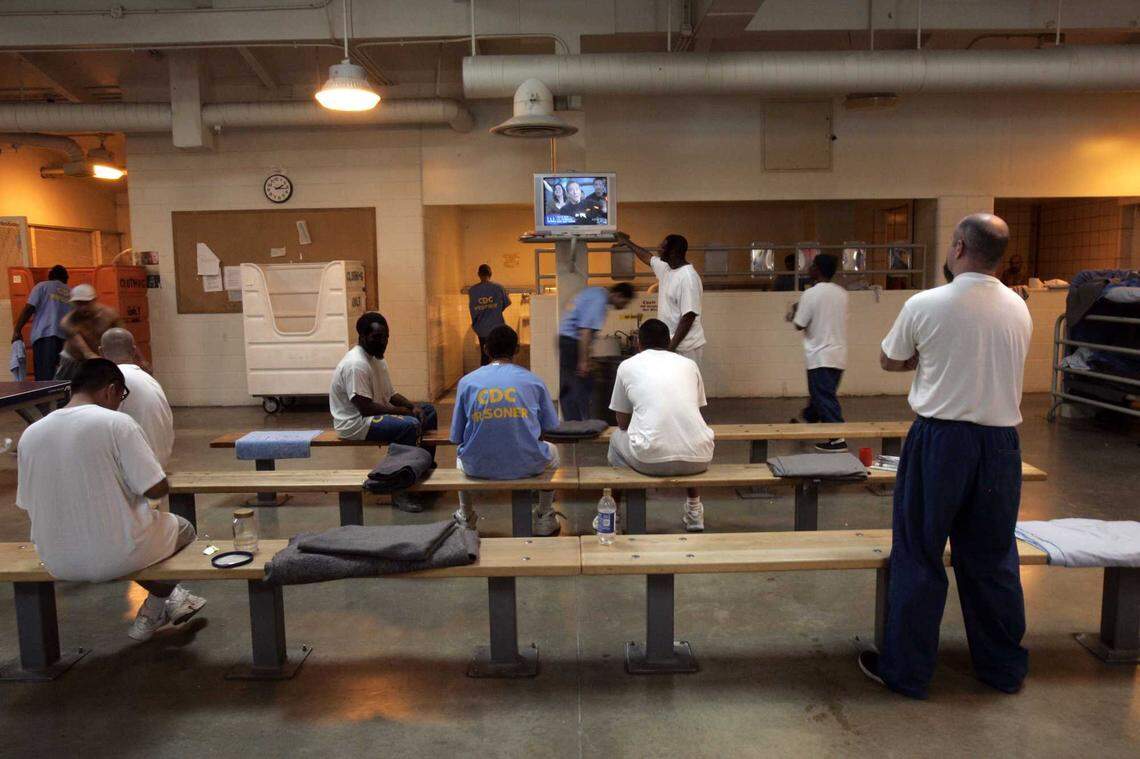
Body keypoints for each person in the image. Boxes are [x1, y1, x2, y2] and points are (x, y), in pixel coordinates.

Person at [859, 213, 1033, 699]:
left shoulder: (926, 303)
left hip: (941, 441)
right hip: (1001, 443)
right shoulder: (1019, 307)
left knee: (919, 552)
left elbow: (890, 359)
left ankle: (908, 671)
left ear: (958, 247)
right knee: (993, 557)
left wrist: (922, 358)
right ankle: (1002, 668)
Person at [16, 358, 205, 642]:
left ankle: (167, 602)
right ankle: (159, 605)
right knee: (184, 529)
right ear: (111, 389)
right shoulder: (117, 424)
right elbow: (155, 489)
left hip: (54, 557)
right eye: (122, 396)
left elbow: (27, 503)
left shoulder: (30, 434)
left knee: (109, 532)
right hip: (117, 554)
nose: (120, 402)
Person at [450, 325, 562, 536]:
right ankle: (544, 515)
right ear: (517, 349)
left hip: (478, 467)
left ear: (486, 350)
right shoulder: (534, 381)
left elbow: (456, 437)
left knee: (459, 456)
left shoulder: (467, 382)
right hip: (527, 464)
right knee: (554, 453)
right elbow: (550, 427)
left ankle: (466, 516)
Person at [607, 319, 714, 531]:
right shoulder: (689, 365)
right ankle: (694, 511)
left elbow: (622, 422)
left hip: (650, 460)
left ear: (638, 342)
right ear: (668, 341)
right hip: (700, 458)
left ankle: (613, 515)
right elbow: (694, 410)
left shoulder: (627, 366)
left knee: (615, 439)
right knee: (686, 431)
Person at [329, 312, 438, 512]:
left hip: (369, 416)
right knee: (409, 426)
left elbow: (390, 394)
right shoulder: (356, 364)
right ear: (362, 337)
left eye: (385, 337)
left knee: (427, 411)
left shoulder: (377, 358)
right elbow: (365, 408)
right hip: (355, 423)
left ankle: (422, 471)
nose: (383, 342)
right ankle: (399, 491)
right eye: (377, 337)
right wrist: (405, 413)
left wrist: (412, 407)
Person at [613, 233, 706, 368]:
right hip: (670, 344)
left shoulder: (688, 278)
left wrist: (670, 348)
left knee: (685, 386)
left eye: (662, 247)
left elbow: (688, 317)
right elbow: (648, 258)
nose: (658, 249)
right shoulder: (667, 268)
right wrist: (627, 243)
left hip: (686, 347)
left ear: (673, 252)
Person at [787, 253, 849, 452]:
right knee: (821, 395)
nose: (809, 268)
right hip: (838, 355)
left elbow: (799, 324)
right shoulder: (842, 293)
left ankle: (838, 439)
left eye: (812, 265)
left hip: (819, 355)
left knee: (824, 397)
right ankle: (809, 418)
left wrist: (795, 310)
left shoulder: (811, 294)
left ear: (818, 269)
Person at [557, 282, 634, 420]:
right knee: (580, 383)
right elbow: (585, 332)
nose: (624, 306)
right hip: (571, 343)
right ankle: (578, 423)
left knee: (575, 382)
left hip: (568, 341)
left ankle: (577, 421)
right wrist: (583, 361)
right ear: (618, 295)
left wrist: (587, 357)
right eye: (624, 302)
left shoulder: (596, 293)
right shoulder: (599, 300)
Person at [100, 327, 173, 469]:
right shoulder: (149, 379)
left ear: (100, 352)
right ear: (134, 351)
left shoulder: (112, 378)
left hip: (140, 468)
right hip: (161, 460)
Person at [11, 265, 72, 381]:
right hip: (66, 340)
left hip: (44, 337)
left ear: (50, 276)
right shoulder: (71, 292)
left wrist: (17, 330)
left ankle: (46, 398)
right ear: (65, 278)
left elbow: (29, 309)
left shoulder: (42, 286)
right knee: (64, 375)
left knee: (44, 376)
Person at [55, 283, 123, 381]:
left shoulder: (110, 315)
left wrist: (140, 360)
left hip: (97, 358)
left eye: (86, 303)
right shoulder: (68, 321)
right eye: (79, 303)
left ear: (94, 300)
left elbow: (125, 339)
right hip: (73, 360)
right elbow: (87, 353)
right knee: (62, 389)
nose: (83, 308)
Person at [468, 264, 512, 367]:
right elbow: (507, 303)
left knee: (484, 355)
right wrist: (495, 309)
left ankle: (484, 379)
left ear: (478, 274)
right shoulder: (498, 288)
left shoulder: (472, 290)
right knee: (498, 355)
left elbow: (472, 308)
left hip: (481, 328)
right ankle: (497, 378)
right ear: (490, 274)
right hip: (496, 327)